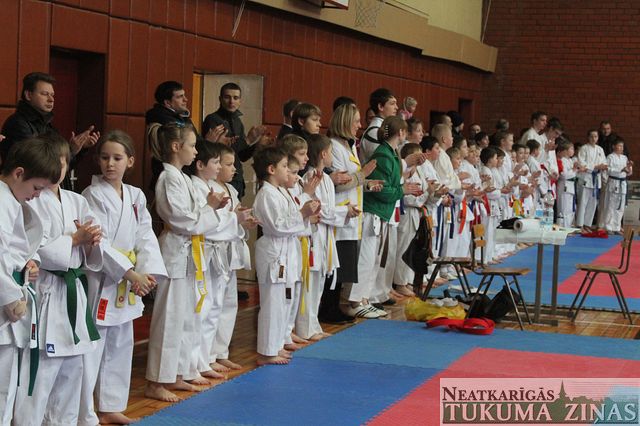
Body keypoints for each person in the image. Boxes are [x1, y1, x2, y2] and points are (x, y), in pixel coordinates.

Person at [14, 134, 104, 426]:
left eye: (61, 162)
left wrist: (91, 242)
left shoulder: (78, 200)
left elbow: (92, 246)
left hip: (73, 290)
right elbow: (32, 250)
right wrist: (74, 240)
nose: (56, 168)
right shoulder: (31, 199)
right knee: (42, 370)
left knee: (73, 368)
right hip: (47, 290)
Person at [79, 130, 166, 425]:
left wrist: (147, 273)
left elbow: (145, 236)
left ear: (130, 161)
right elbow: (98, 243)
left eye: (117, 158)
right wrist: (130, 273)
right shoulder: (91, 195)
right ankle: (84, 412)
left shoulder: (135, 195)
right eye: (105, 157)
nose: (110, 164)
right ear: (97, 160)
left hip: (130, 279)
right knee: (93, 348)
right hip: (104, 279)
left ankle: (110, 406)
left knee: (120, 344)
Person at [144, 123, 228, 402]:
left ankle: (178, 372)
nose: (195, 151)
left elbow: (193, 216)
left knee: (187, 318)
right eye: (192, 146)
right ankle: (156, 381)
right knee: (169, 319)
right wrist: (210, 208)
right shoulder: (168, 178)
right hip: (175, 252)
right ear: (175, 147)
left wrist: (209, 207)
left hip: (190, 253)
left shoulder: (180, 177)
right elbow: (184, 220)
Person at [0, 138, 62, 425]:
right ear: (18, 173)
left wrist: (28, 263)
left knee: (7, 384)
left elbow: (13, 250)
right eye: (36, 188)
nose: (37, 195)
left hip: (11, 293)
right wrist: (11, 297)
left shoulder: (10, 199)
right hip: (6, 300)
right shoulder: (2, 201)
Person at [346, 116, 421, 318]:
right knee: (365, 258)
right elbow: (382, 189)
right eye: (405, 132)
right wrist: (402, 190)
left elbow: (392, 183)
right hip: (373, 212)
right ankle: (355, 301)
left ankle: (365, 298)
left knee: (374, 259)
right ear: (401, 132)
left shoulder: (391, 154)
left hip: (381, 213)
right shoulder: (383, 155)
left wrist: (403, 185)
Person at [252, 147, 320, 365]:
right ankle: (266, 352)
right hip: (274, 251)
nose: (288, 171)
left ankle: (277, 345)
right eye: (284, 166)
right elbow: (278, 226)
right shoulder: (266, 194)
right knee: (273, 304)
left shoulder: (280, 192)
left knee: (284, 302)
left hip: (287, 250)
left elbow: (291, 220)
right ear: (271, 169)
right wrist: (303, 213)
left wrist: (306, 214)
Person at [203, 143, 255, 374]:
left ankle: (221, 352)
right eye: (228, 164)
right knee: (213, 305)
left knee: (229, 304)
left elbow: (234, 218)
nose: (234, 169)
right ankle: (208, 356)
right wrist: (235, 218)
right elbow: (213, 223)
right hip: (215, 251)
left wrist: (244, 220)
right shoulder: (210, 189)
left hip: (230, 252)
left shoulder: (231, 190)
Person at [296, 134, 354, 341]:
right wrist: (344, 211)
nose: (332, 156)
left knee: (319, 282)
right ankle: (305, 328)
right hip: (313, 235)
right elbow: (319, 209)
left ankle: (314, 325)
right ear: (323, 154)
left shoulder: (326, 179)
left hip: (325, 236)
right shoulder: (310, 177)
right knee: (310, 284)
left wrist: (344, 210)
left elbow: (328, 208)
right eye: (330, 152)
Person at [1, 72, 100, 190]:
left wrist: (80, 149)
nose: (51, 99)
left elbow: (63, 167)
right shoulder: (18, 124)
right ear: (28, 95)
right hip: (30, 192)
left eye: (52, 95)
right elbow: (38, 163)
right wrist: (71, 150)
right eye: (44, 94)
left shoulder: (48, 126)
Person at [326, 104, 378, 322]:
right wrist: (363, 175)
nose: (359, 124)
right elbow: (339, 184)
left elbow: (354, 179)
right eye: (356, 120)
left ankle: (338, 305)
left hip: (352, 214)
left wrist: (367, 183)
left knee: (346, 265)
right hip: (340, 213)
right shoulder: (334, 146)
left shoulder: (349, 146)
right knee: (337, 266)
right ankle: (329, 308)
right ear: (345, 121)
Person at [202, 82, 268, 199]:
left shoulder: (238, 121)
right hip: (220, 176)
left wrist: (257, 145)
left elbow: (241, 156)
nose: (231, 101)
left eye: (235, 98)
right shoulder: (212, 119)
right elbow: (221, 151)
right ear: (220, 99)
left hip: (237, 177)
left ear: (240, 101)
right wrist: (248, 140)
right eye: (227, 97)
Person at [576, 130, 607, 230]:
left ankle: (587, 224)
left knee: (593, 204)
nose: (594, 139)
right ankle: (580, 225)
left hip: (596, 179)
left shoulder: (600, 149)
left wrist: (602, 167)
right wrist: (595, 166)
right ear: (588, 137)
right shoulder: (584, 148)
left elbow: (604, 162)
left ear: (598, 138)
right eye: (592, 136)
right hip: (586, 178)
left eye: (596, 136)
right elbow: (582, 163)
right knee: (583, 202)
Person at [359, 88, 398, 163]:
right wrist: (406, 162)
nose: (396, 107)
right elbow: (383, 163)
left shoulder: (383, 128)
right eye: (392, 104)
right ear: (380, 107)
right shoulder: (375, 132)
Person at [603, 139, 633, 233]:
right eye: (619, 146)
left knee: (620, 207)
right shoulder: (610, 157)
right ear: (613, 146)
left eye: (622, 146)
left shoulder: (624, 158)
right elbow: (608, 170)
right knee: (611, 205)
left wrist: (629, 168)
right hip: (613, 182)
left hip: (622, 183)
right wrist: (621, 169)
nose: (621, 148)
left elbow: (629, 173)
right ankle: (608, 227)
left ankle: (617, 227)